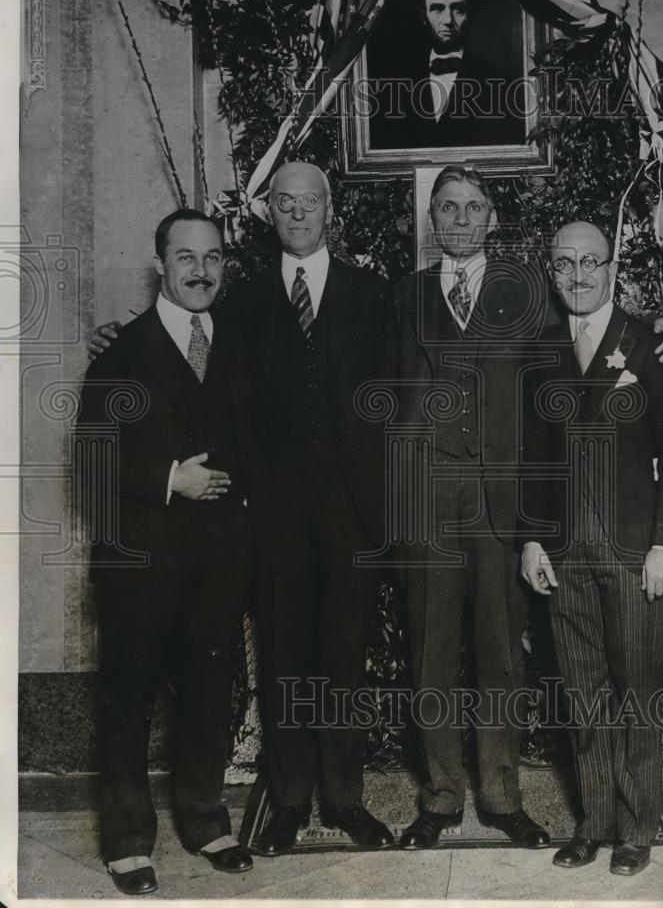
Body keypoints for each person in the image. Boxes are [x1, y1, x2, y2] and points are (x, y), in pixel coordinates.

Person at [91, 164, 397, 855]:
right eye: (284, 202)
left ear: (329, 209)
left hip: (352, 512)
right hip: (268, 516)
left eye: (309, 201)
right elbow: (176, 343)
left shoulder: (373, 293)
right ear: (269, 213)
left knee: (344, 658)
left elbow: (399, 397)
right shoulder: (242, 300)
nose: (298, 213)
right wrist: (114, 340)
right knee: (283, 659)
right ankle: (287, 801)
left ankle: (345, 799)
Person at [393, 169, 663, 851]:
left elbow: (599, 314)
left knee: (503, 657)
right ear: (432, 218)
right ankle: (440, 798)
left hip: (508, 509)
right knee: (431, 657)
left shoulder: (528, 292)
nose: (461, 219)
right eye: (447, 208)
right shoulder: (401, 296)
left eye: (473, 207)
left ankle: (502, 800)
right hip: (429, 507)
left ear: (492, 217)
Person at [78, 210, 254, 896]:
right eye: (186, 257)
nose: (200, 271)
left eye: (212, 257)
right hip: (141, 559)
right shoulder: (120, 356)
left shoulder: (237, 345)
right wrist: (169, 479)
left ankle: (206, 822)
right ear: (161, 265)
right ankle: (126, 844)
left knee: (208, 695)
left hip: (217, 560)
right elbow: (92, 464)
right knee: (129, 702)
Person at [520, 221, 663, 877]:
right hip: (564, 553)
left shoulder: (648, 342)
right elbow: (533, 456)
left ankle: (635, 829)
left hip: (633, 552)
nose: (578, 275)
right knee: (581, 691)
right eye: (564, 263)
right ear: (551, 270)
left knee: (636, 691)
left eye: (590, 262)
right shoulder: (542, 350)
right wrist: (531, 539)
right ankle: (593, 823)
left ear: (611, 267)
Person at [369, 0, 518, 149]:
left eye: (457, 9)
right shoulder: (396, 81)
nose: (448, 20)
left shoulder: (498, 82)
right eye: (437, 9)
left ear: (469, 14)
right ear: (423, 16)